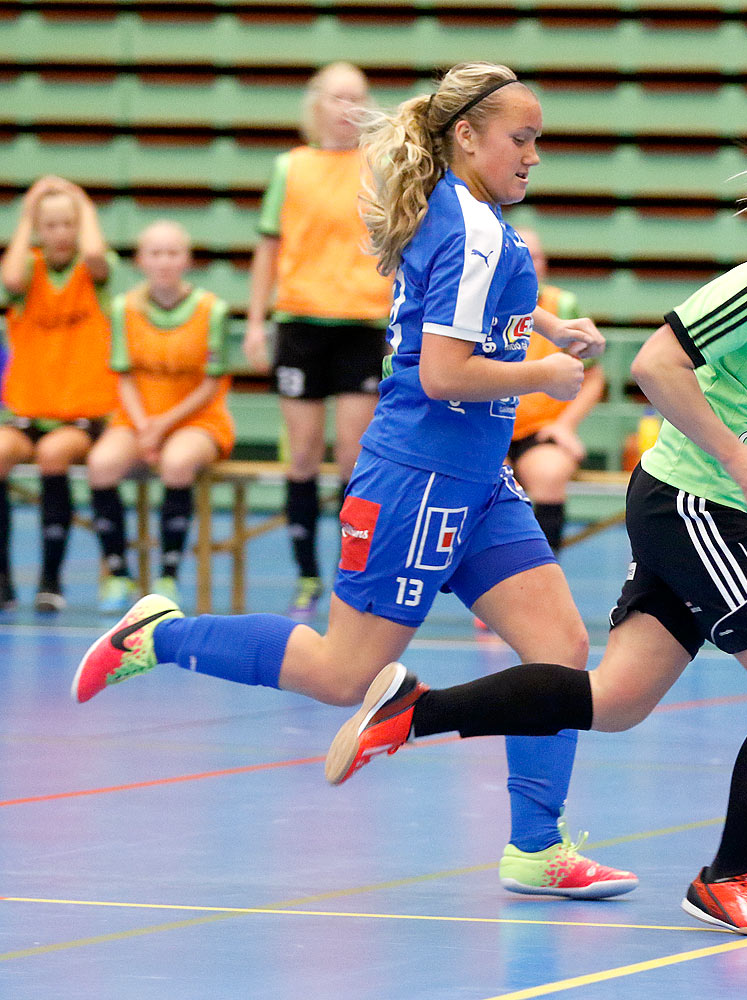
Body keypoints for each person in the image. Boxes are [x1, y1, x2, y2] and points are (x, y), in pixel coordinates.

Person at [321, 147, 747, 937]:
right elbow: (656, 365)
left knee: (613, 702)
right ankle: (731, 878)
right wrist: (734, 451)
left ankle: (416, 710)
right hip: (690, 501)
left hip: (714, 507)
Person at [72, 62, 637, 899]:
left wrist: (544, 321)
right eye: (522, 139)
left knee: (559, 650)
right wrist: (544, 374)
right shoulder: (473, 223)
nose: (534, 155)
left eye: (538, 139)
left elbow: (450, 309)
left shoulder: (466, 210)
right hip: (417, 476)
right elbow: (442, 374)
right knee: (343, 674)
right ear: (468, 137)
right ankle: (157, 635)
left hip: (478, 481)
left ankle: (535, 848)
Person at [244, 62, 393, 618]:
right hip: (301, 324)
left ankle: (348, 575)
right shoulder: (290, 167)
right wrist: (257, 322)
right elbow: (268, 248)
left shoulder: (378, 166)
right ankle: (305, 573)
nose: (346, 108)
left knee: (353, 456)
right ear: (317, 105)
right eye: (337, 98)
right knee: (303, 453)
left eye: (357, 98)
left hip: (361, 325)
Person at [88, 221, 236, 611]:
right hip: (137, 417)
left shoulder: (212, 310)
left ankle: (168, 576)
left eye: (172, 252)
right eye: (155, 253)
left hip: (197, 418)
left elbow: (210, 384)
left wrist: (161, 428)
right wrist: (144, 427)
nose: (164, 261)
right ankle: (118, 575)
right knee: (100, 464)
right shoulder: (124, 308)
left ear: (186, 259)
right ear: (140, 260)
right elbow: (124, 377)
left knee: (177, 462)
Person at [0, 175, 118, 611]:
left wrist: (83, 204)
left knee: (53, 454)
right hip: (28, 410)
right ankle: (3, 581)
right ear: (38, 229)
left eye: (69, 223)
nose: (61, 233)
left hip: (82, 414)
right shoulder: (27, 269)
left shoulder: (95, 273)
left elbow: (94, 253)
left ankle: (50, 579)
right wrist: (27, 213)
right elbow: (9, 277)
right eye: (50, 225)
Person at [505, 226, 605, 553]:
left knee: (548, 474)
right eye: (521, 256)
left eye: (536, 256)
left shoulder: (562, 306)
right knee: (489, 482)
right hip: (488, 424)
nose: (530, 263)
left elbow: (593, 378)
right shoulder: (482, 305)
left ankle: (544, 574)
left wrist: (565, 425)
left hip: (539, 431)